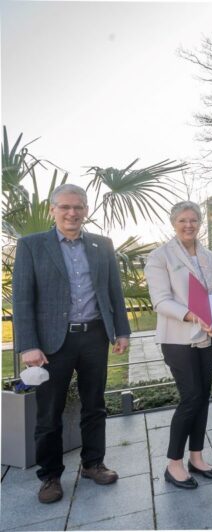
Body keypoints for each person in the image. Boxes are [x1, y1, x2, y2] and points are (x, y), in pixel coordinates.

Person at [12, 184, 131, 504]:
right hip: (52, 343)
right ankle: (50, 476)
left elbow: (114, 292)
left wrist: (122, 331)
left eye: (78, 207)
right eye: (65, 207)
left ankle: (93, 463)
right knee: (49, 412)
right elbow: (21, 300)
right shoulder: (32, 246)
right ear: (53, 210)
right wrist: (28, 345)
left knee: (95, 405)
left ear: (86, 210)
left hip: (94, 336)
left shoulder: (102, 245)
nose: (72, 213)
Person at [145, 201, 212, 489]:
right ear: (173, 222)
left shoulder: (210, 256)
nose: (188, 225)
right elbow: (160, 300)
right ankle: (173, 464)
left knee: (203, 397)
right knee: (190, 397)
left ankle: (197, 457)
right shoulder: (159, 257)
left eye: (193, 220)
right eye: (182, 220)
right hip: (178, 338)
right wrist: (193, 316)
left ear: (200, 222)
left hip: (209, 336)